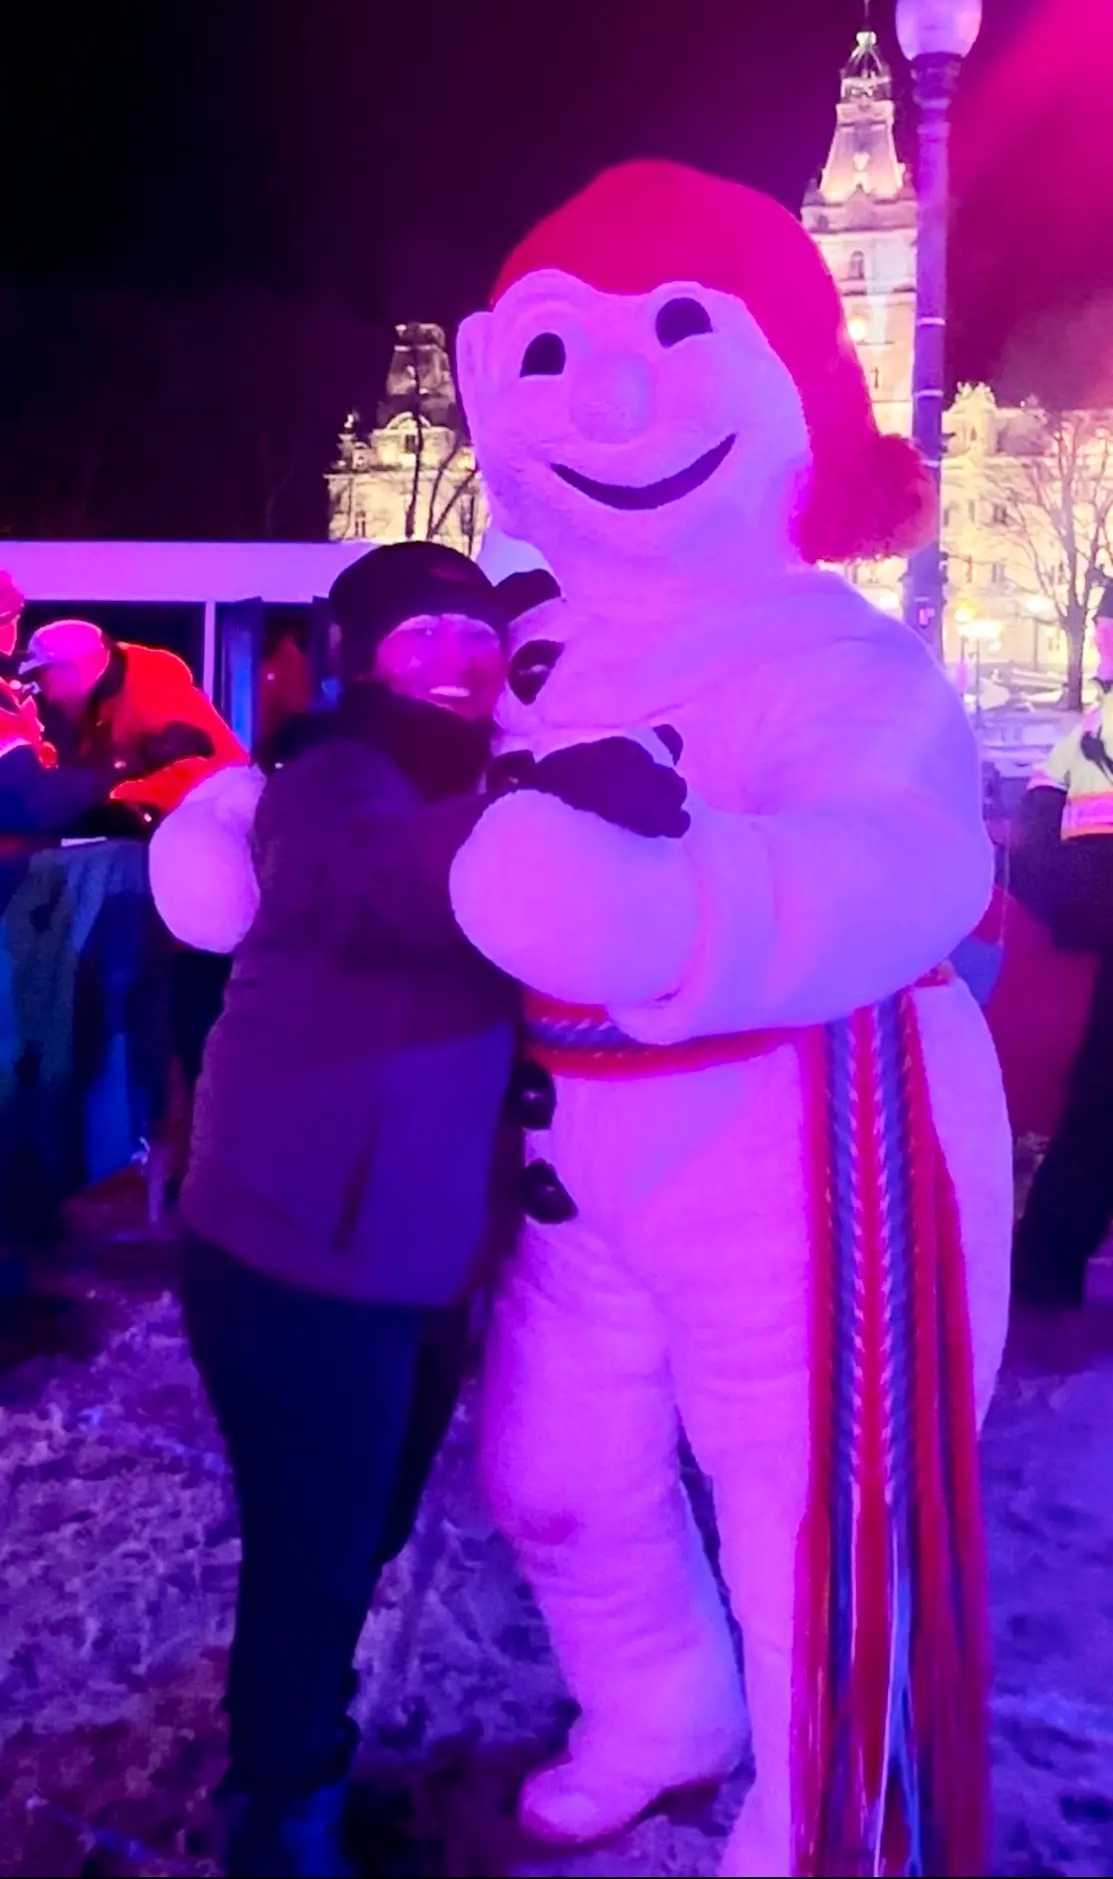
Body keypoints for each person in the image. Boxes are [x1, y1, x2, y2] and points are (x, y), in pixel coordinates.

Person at [445, 162, 1012, 1877]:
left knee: (814, 1517)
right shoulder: (535, 654)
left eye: (678, 335)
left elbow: (902, 862)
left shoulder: (832, 658)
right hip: (580, 1140)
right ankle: (657, 1710)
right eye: (550, 354)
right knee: (550, 1474)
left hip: (802, 1129)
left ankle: (833, 1819)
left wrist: (670, 910)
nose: (604, 399)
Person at [162, 542, 520, 1879]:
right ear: (362, 652)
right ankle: (280, 1820)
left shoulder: (462, 785)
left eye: (478, 636)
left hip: (408, 1255)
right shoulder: (329, 780)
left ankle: (291, 1731)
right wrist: (536, 807)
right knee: (317, 1547)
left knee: (352, 1527)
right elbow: (374, 882)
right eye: (425, 634)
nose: (461, 659)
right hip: (295, 1254)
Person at [1010, 579, 1113, 1307]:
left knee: (1096, 1114)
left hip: (1094, 914)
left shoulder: (1091, 726)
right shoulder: (1092, 725)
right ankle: (1044, 1269)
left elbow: (1040, 822)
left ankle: (1044, 1274)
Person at [20, 618, 245, 821]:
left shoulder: (153, 695)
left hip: (219, 819)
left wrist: (118, 796)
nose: (46, 695)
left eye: (44, 677)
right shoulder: (100, 702)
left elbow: (207, 772)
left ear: (76, 667)